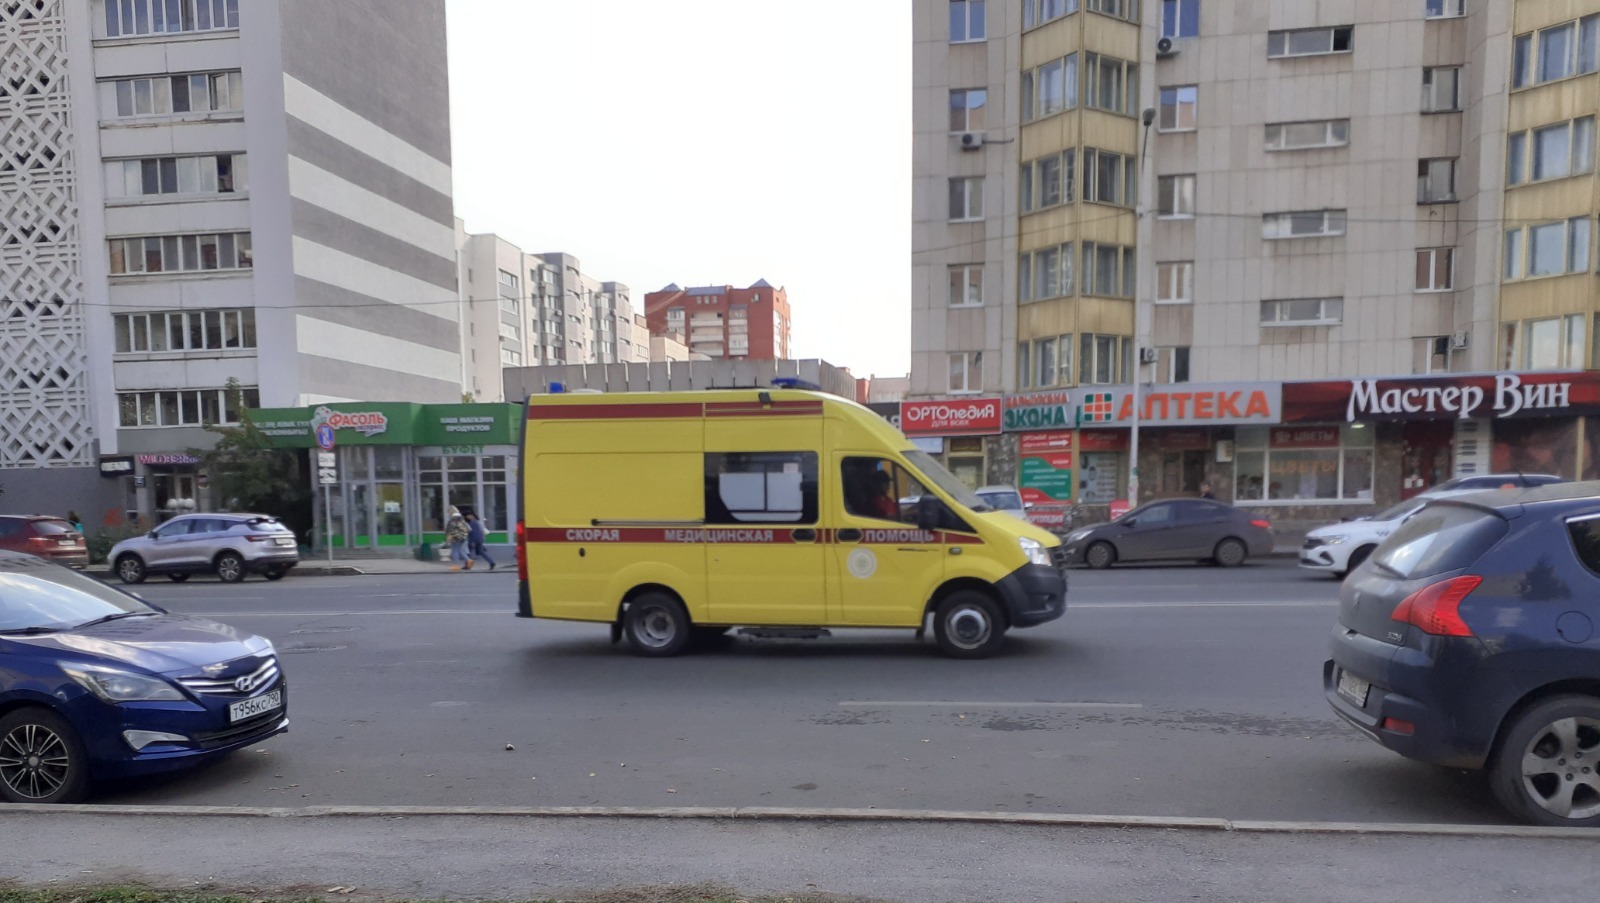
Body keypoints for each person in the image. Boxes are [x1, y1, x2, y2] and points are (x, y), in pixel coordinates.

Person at [445, 506, 471, 570]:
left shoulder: (453, 519)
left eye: (448, 511)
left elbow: (450, 529)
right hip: (463, 537)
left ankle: (456, 566)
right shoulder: (461, 519)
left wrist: (448, 538)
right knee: (461, 551)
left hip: (456, 537)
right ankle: (469, 560)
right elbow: (469, 529)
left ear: (451, 511)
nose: (448, 513)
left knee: (454, 551)